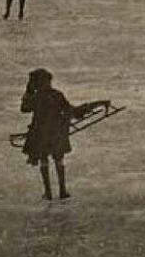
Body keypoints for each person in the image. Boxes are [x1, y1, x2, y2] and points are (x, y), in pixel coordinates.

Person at [20, 68, 107, 200]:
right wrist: (95, 105)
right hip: (57, 134)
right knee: (58, 160)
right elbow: (72, 111)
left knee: (45, 160)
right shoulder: (56, 95)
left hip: (41, 136)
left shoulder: (36, 97)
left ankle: (48, 193)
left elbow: (24, 108)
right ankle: (62, 191)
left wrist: (28, 91)